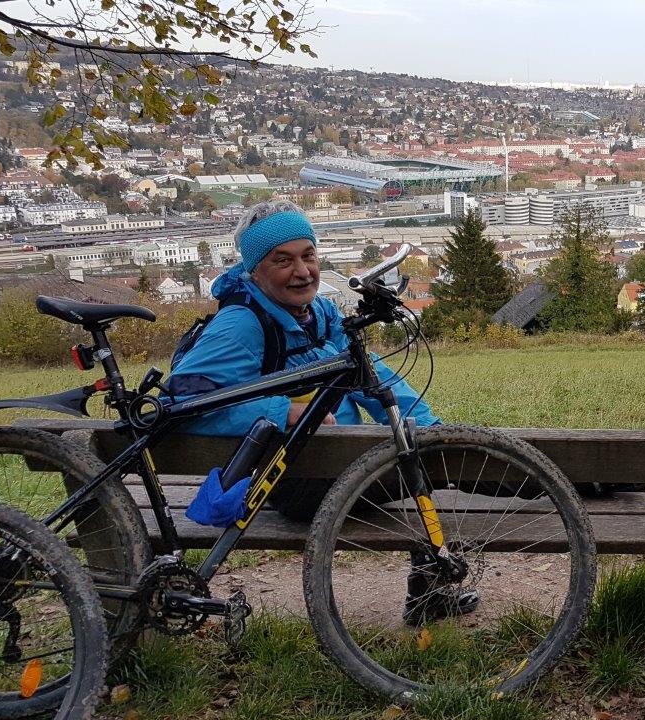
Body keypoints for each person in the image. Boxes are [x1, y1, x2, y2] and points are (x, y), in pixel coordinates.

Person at [168, 200, 477, 623]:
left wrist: (426, 426)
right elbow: (181, 404)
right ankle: (434, 593)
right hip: (294, 482)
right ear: (254, 269)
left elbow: (372, 376)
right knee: (431, 465)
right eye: (283, 260)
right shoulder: (242, 324)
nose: (302, 271)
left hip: (333, 463)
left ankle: (434, 592)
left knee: (426, 453)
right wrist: (281, 411)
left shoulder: (320, 313)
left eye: (308, 255)